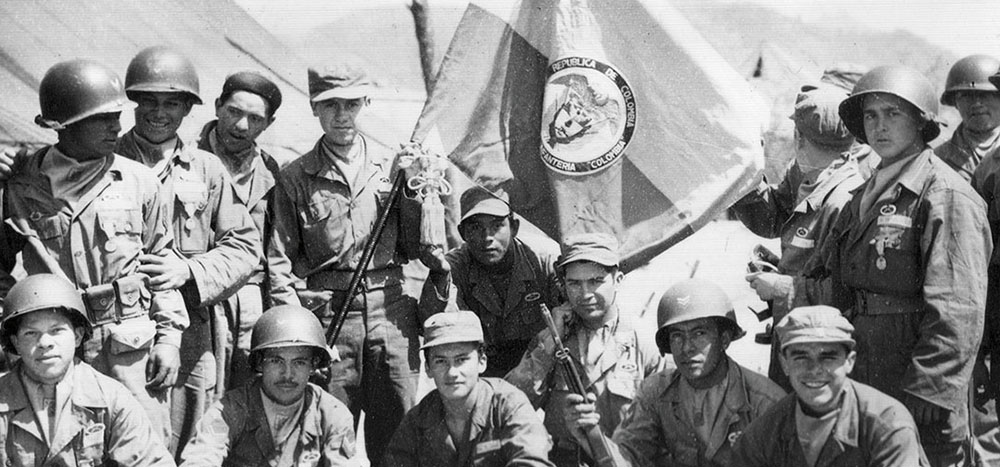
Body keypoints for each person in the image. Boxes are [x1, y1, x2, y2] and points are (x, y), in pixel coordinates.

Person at [802, 65, 991, 467]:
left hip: (914, 377)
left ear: (921, 121)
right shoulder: (867, 191)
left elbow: (959, 306)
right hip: (864, 366)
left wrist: (933, 387)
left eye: (893, 113)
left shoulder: (945, 194)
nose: (879, 126)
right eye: (870, 115)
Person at [0, 58, 188, 445]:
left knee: (145, 445)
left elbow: (162, 263)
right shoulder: (21, 188)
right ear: (64, 124)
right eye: (101, 119)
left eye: (117, 116)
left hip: (128, 349)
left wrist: (170, 341)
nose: (116, 128)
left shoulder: (139, 181)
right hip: (53, 348)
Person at [267, 60, 423, 466]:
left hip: (392, 314)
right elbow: (278, 263)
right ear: (314, 109)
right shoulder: (295, 178)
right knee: (324, 437)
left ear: (365, 103)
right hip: (331, 320)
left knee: (400, 439)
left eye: (351, 104)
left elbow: (418, 244)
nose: (341, 116)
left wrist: (412, 188)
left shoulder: (393, 170)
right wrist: (300, 333)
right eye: (330, 105)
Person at [114, 46, 260, 456]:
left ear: (188, 109)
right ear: (134, 103)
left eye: (172, 103)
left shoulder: (206, 169)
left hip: (193, 329)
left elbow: (246, 246)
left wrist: (190, 272)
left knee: (192, 436)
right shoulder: (107, 161)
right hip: (123, 327)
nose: (159, 113)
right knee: (125, 433)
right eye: (150, 102)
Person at [734, 71, 869, 390]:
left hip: (818, 349)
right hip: (793, 330)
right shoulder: (807, 174)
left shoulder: (843, 201)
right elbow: (772, 217)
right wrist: (742, 181)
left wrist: (781, 287)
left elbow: (847, 293)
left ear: (798, 138)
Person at [563, 278, 784, 467]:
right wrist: (591, 435)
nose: (687, 347)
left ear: (724, 339)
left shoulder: (765, 403)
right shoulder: (656, 391)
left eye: (699, 333)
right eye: (677, 335)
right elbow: (628, 459)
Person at [506, 233, 662, 466]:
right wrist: (548, 345)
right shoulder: (551, 338)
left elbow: (663, 426)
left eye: (596, 281)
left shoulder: (643, 343)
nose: (586, 294)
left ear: (618, 280)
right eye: (574, 283)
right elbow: (510, 404)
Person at [0, 274, 174, 466]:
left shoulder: (111, 399)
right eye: (31, 333)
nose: (45, 343)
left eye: (56, 330)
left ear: (77, 336)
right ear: (16, 343)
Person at [732, 305, 929, 466]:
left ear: (849, 361)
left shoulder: (886, 424)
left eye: (828, 357)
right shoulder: (764, 433)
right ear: (784, 363)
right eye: (801, 357)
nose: (815, 369)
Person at [178, 305, 356, 466]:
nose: (287, 374)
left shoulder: (332, 414)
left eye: (299, 362)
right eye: (276, 361)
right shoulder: (230, 409)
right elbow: (201, 457)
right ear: (260, 363)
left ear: (313, 365)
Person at [197, 71, 284, 390]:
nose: (242, 125)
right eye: (234, 112)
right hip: (200, 296)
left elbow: (277, 251)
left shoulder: (272, 171)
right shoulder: (187, 160)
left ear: (268, 124)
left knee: (247, 396)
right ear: (218, 106)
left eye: (255, 118)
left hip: (251, 300)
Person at [419, 186, 561, 377]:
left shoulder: (543, 259)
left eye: (496, 226)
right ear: (462, 233)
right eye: (476, 227)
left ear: (514, 227)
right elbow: (432, 327)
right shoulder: (454, 266)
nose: (487, 237)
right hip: (487, 372)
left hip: (542, 364)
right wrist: (438, 276)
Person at [383, 310, 553, 466]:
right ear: (428, 368)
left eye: (461, 359)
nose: (452, 372)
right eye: (441, 361)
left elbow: (532, 461)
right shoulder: (419, 418)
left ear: (481, 362)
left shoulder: (508, 405)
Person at [935, 54, 1000, 182]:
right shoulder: (938, 159)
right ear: (955, 102)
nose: (977, 103)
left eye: (986, 94)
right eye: (966, 95)